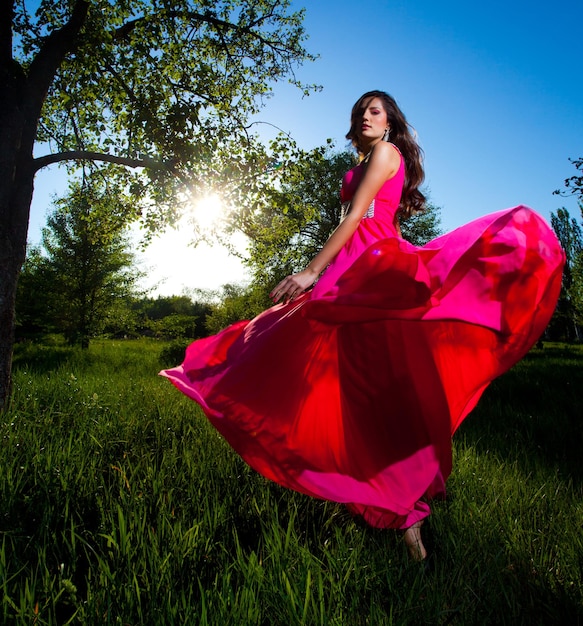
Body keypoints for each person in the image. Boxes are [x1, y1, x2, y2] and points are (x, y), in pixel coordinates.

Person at [161, 90, 565, 561]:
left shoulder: (386, 152)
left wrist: (310, 271)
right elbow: (350, 215)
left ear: (391, 122)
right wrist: (326, 272)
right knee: (334, 377)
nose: (366, 117)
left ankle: (404, 513)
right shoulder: (364, 158)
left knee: (370, 389)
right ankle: (364, 487)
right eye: (360, 112)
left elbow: (356, 216)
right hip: (354, 267)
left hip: (372, 266)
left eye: (375, 111)